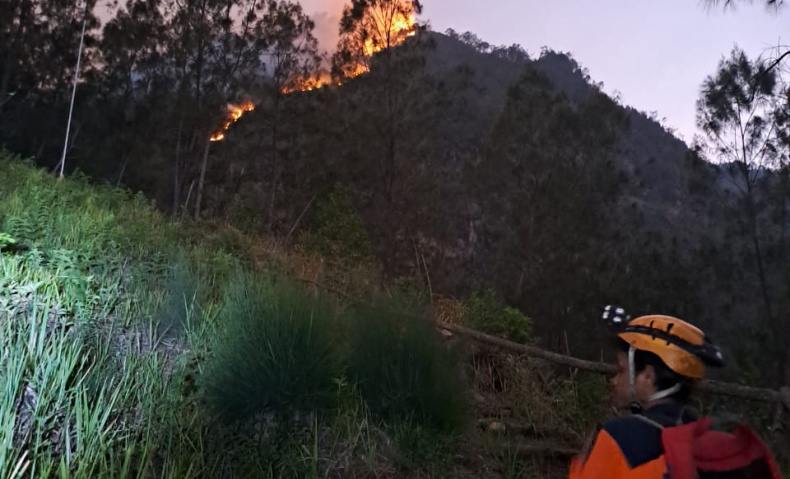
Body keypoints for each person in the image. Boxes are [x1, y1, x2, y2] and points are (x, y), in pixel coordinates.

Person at [567, 306, 783, 479]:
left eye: (621, 370)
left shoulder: (620, 436)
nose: (614, 380)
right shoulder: (715, 447)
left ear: (648, 376)